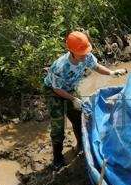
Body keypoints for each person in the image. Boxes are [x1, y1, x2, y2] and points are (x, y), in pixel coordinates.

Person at [44, 31, 126, 170]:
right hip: (54, 92)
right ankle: (57, 158)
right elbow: (56, 89)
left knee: (80, 117)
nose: (84, 55)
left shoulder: (86, 56)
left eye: (85, 51)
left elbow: (96, 66)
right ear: (71, 51)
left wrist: (111, 73)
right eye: (81, 53)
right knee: (58, 126)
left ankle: (81, 146)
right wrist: (73, 99)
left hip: (70, 89)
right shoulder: (60, 66)